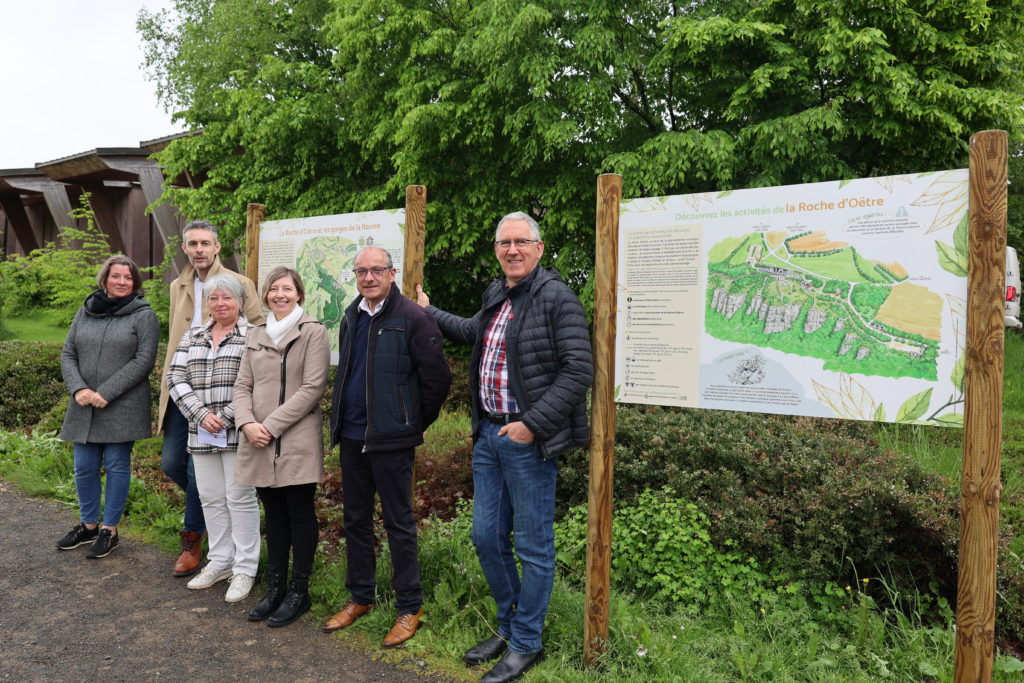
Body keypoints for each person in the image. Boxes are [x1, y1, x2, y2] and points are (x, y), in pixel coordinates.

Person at [416, 212, 593, 683]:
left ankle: (527, 643)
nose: (511, 250)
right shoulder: (498, 293)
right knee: (485, 537)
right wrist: (429, 312)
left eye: (520, 242)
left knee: (533, 547)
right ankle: (511, 624)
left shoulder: (558, 298)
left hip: (526, 441)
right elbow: (475, 333)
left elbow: (579, 371)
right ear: (496, 249)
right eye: (503, 243)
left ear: (538, 247)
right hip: (489, 438)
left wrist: (531, 425)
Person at [323, 246, 451, 647]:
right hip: (354, 436)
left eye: (376, 270)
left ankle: (409, 606)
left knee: (398, 523)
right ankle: (361, 596)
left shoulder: (413, 317)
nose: (368, 277)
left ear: (392, 273)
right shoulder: (351, 315)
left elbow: (437, 381)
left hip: (392, 441)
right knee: (356, 519)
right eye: (361, 271)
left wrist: (409, 421)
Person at [158, 220, 263, 577]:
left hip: (226, 394)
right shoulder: (178, 285)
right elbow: (176, 336)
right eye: (192, 244)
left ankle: (193, 539)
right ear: (185, 248)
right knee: (173, 463)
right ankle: (217, 525)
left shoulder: (240, 283)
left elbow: (258, 333)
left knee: (205, 472)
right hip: (186, 391)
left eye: (205, 243)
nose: (199, 249)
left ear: (217, 247)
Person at [234, 266, 330, 627]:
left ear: (299, 294)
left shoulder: (314, 332)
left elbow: (312, 388)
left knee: (299, 513)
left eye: (287, 289)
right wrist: (246, 423)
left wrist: (270, 426)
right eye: (273, 289)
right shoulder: (255, 334)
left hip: (295, 438)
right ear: (265, 294)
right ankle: (275, 588)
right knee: (273, 515)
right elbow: (242, 385)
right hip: (257, 437)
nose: (280, 295)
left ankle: (298, 591)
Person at [57, 255, 159, 558]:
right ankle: (88, 526)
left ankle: (109, 530)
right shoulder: (85, 311)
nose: (122, 282)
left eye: (128, 278)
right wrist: (78, 388)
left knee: (116, 467)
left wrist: (107, 392)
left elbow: (144, 360)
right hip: (84, 404)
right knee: (84, 468)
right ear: (105, 279)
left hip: (122, 405)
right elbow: (68, 353)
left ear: (135, 283)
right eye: (116, 276)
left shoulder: (144, 315)